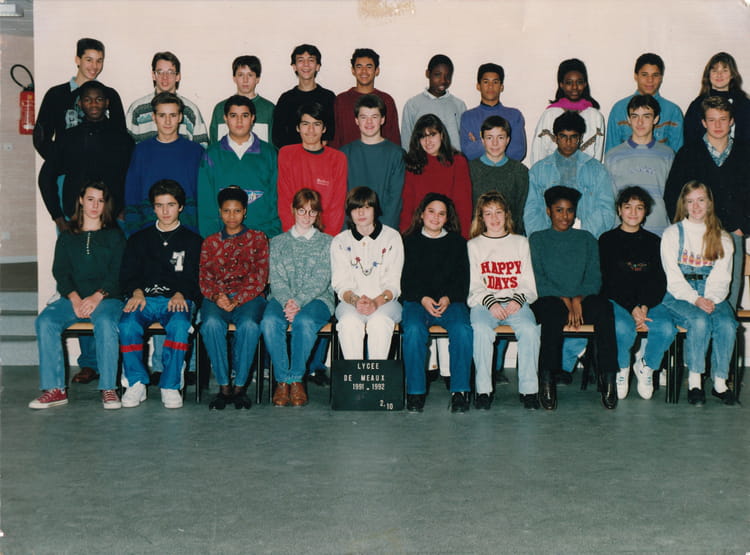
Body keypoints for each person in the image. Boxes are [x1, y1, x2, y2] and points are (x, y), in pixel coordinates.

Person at [29, 182, 125, 410]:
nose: (95, 206)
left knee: (105, 322)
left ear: (106, 205)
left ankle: (108, 388)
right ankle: (55, 389)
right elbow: (61, 272)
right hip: (73, 298)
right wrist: (74, 298)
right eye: (90, 199)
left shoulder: (115, 236)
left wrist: (97, 297)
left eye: (100, 201)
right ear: (81, 200)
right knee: (45, 321)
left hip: (107, 298)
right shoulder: (67, 236)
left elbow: (118, 272)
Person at [529, 186, 618, 410]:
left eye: (569, 210)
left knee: (604, 308)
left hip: (581, 299)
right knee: (552, 314)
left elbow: (594, 276)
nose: (565, 216)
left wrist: (578, 298)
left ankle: (608, 377)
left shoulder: (586, 239)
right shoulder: (537, 239)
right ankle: (547, 379)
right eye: (559, 210)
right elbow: (536, 278)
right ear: (549, 211)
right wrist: (563, 299)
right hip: (549, 298)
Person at [118, 180, 203, 409]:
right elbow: (127, 274)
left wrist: (182, 293)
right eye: (159, 205)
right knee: (127, 325)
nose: (165, 211)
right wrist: (136, 291)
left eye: (171, 205)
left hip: (176, 300)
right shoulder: (138, 239)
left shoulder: (193, 241)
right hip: (144, 299)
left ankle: (170, 384)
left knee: (179, 325)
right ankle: (135, 382)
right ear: (153, 208)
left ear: (180, 207)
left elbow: (198, 278)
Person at [665, 96, 750, 309]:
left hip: (732, 233)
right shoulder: (688, 153)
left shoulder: (745, 153)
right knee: (695, 301)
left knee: (728, 300)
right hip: (696, 235)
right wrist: (685, 226)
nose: (717, 125)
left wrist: (743, 227)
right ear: (703, 122)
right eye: (712, 120)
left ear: (732, 121)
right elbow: (672, 194)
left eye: (723, 119)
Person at [660, 181, 737, 405]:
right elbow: (673, 277)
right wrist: (695, 299)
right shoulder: (672, 234)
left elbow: (722, 277)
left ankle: (720, 383)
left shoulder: (722, 237)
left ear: (709, 203)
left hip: (713, 294)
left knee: (727, 324)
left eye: (701, 200)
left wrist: (709, 299)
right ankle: (695, 382)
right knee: (699, 321)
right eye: (690, 201)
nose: (696, 206)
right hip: (679, 295)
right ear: (683, 205)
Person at [599, 187, 676, 400]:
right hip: (618, 300)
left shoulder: (654, 241)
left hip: (648, 303)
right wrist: (632, 306)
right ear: (619, 210)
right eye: (628, 207)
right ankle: (622, 369)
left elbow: (659, 280)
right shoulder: (606, 240)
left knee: (666, 328)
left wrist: (644, 305)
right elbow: (609, 281)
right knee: (623, 329)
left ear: (646, 212)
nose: (633, 212)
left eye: (639, 208)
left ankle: (646, 367)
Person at [261, 188, 334, 407]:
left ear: (318, 214)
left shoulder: (328, 243)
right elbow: (276, 279)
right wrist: (288, 302)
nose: (307, 216)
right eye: (302, 210)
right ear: (293, 210)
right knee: (269, 321)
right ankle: (283, 380)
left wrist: (298, 302)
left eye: (312, 212)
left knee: (305, 321)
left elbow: (321, 279)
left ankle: (296, 379)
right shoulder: (277, 242)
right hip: (282, 299)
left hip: (318, 299)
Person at [468, 191, 540, 410]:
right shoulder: (474, 245)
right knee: (481, 330)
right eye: (488, 213)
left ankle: (529, 390)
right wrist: (491, 303)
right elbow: (474, 284)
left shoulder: (520, 242)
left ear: (506, 214)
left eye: (498, 212)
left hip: (516, 302)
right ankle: (483, 390)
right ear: (481, 217)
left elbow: (528, 281)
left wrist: (518, 299)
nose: (494, 218)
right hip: (485, 304)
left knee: (530, 330)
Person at [400, 193, 472, 413]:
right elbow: (404, 279)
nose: (435, 217)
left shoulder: (458, 243)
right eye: (431, 211)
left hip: (450, 302)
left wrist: (448, 297)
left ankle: (459, 391)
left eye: (441, 213)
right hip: (417, 301)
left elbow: (463, 279)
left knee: (462, 330)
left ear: (447, 218)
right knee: (413, 330)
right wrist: (422, 298)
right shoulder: (407, 242)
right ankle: (415, 392)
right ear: (422, 214)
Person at [200, 186, 268, 410]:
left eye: (237, 211)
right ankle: (223, 386)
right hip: (217, 297)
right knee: (210, 324)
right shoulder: (210, 242)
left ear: (245, 212)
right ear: (220, 212)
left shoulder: (258, 238)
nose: (232, 216)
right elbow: (204, 278)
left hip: (249, 297)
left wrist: (238, 299)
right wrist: (217, 296)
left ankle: (239, 386)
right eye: (227, 211)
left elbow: (259, 277)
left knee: (249, 326)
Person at [39, 80, 134, 231]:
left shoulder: (123, 139)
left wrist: (125, 208)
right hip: (75, 220)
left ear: (107, 103)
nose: (94, 104)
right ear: (80, 104)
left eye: (99, 99)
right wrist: (58, 218)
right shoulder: (68, 138)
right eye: (88, 100)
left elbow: (134, 177)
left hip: (112, 220)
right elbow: (45, 177)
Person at [331, 187, 404, 360]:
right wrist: (356, 301)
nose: (361, 213)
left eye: (366, 207)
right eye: (356, 208)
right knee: (349, 323)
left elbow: (393, 284)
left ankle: (376, 374)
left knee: (379, 323)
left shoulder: (392, 237)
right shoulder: (340, 241)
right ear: (349, 212)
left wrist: (375, 303)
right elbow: (340, 284)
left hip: (386, 302)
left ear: (375, 209)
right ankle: (355, 375)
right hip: (351, 303)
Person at [197, 95, 280, 239]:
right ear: (225, 118)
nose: (239, 121)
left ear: (253, 118)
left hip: (261, 238)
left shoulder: (269, 153)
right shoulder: (212, 154)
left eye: (245, 115)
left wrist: (269, 236)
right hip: (222, 241)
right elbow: (206, 203)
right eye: (233, 115)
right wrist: (213, 238)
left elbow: (275, 199)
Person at [124, 92, 204, 236]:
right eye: (162, 115)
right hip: (148, 229)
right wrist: (134, 232)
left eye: (172, 115)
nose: (167, 121)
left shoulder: (195, 152)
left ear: (180, 117)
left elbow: (203, 196)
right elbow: (132, 193)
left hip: (187, 229)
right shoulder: (141, 151)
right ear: (154, 117)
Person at [524, 111, 615, 238]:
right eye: (563, 136)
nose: (568, 142)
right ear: (556, 138)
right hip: (548, 240)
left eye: (573, 137)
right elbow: (531, 212)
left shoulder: (597, 171)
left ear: (580, 139)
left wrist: (582, 234)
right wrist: (545, 238)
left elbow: (606, 210)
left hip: (586, 237)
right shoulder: (538, 171)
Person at [33, 37, 126, 161]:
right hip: (66, 169)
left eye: (99, 61)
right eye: (89, 60)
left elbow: (120, 136)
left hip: (101, 168)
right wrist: (59, 163)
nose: (94, 66)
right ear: (78, 60)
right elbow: (40, 138)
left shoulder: (110, 95)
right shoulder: (56, 94)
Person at [604, 94, 674, 237]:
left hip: (660, 232)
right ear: (629, 119)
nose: (640, 122)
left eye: (646, 116)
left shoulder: (668, 155)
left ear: (656, 119)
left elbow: (673, 198)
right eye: (635, 116)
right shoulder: (613, 156)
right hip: (624, 233)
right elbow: (609, 200)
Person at [277, 102, 347, 234]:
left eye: (316, 124)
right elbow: (285, 201)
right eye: (305, 124)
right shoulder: (286, 154)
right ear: (298, 127)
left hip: (325, 235)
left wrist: (325, 239)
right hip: (293, 233)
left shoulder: (337, 159)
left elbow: (337, 207)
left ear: (324, 128)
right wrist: (294, 235)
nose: (310, 130)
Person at [400, 114, 472, 236]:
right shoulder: (413, 164)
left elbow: (464, 205)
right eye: (423, 136)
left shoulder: (458, 162)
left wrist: (463, 239)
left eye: (432, 135)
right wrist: (405, 236)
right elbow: (407, 205)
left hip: (449, 231)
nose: (428, 141)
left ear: (442, 135)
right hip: (418, 232)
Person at [340, 94, 405, 228]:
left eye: (374, 117)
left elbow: (395, 200)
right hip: (351, 229)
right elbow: (340, 197)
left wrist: (381, 232)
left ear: (382, 119)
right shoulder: (344, 154)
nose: (369, 122)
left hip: (384, 230)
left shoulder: (397, 155)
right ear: (356, 120)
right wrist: (348, 230)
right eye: (364, 117)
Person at [125, 51, 208, 147]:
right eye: (160, 72)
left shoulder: (190, 110)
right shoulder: (137, 109)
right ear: (153, 75)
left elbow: (202, 148)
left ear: (178, 76)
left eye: (170, 72)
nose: (165, 77)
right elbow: (127, 147)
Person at [530, 58, 605, 164]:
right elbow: (538, 153)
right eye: (569, 83)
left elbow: (597, 155)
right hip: (552, 173)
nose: (574, 87)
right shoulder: (549, 115)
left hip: (585, 173)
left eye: (579, 82)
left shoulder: (595, 116)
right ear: (561, 84)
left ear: (585, 84)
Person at [605, 53, 684, 153]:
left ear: (661, 77)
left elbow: (678, 154)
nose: (650, 80)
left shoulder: (673, 111)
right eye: (644, 75)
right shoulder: (619, 109)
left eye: (655, 75)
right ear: (635, 76)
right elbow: (611, 153)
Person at [468, 115, 529, 235]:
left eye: (500, 137)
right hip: (477, 237)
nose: (495, 143)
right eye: (489, 137)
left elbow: (521, 211)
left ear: (508, 140)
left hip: (510, 237)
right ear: (482, 140)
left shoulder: (520, 171)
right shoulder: (470, 169)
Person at [331, 48, 400, 148]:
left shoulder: (386, 100)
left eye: (369, 67)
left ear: (377, 71)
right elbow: (335, 138)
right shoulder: (341, 100)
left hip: (379, 156)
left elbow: (394, 138)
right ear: (353, 70)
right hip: (347, 156)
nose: (364, 71)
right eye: (359, 66)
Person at [272, 44, 335, 148]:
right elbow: (278, 135)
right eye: (301, 60)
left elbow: (331, 132)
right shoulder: (286, 99)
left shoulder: (328, 97)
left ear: (318, 66)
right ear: (294, 66)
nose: (306, 64)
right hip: (293, 154)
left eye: (311, 60)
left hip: (320, 153)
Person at [460, 63, 526, 161]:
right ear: (478, 86)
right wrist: (501, 143)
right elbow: (468, 152)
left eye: (495, 82)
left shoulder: (514, 115)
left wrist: (479, 142)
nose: (490, 86)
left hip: (508, 170)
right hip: (477, 170)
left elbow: (518, 152)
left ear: (501, 87)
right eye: (486, 82)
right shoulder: (468, 117)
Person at [401, 54, 466, 151]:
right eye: (437, 75)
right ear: (428, 74)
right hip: (423, 159)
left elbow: (464, 139)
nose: (443, 80)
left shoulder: (459, 105)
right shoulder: (413, 105)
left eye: (447, 76)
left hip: (452, 159)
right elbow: (406, 141)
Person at [684, 52, 750, 146]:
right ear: (708, 75)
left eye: (724, 70)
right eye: (714, 71)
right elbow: (690, 139)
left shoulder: (744, 104)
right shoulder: (697, 105)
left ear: (732, 74)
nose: (719, 75)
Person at [209, 55, 275, 144]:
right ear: (234, 78)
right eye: (240, 75)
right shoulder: (220, 108)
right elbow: (214, 144)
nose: (245, 80)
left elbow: (273, 145)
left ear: (257, 79)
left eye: (250, 75)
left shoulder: (269, 109)